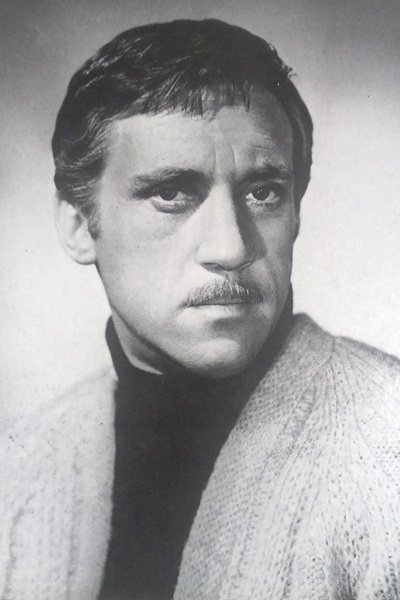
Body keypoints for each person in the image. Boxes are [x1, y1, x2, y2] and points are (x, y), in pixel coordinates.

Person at [1, 18, 400, 600]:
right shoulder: (18, 468)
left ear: (296, 210)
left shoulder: (388, 446)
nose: (231, 249)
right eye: (171, 193)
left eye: (263, 192)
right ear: (80, 224)